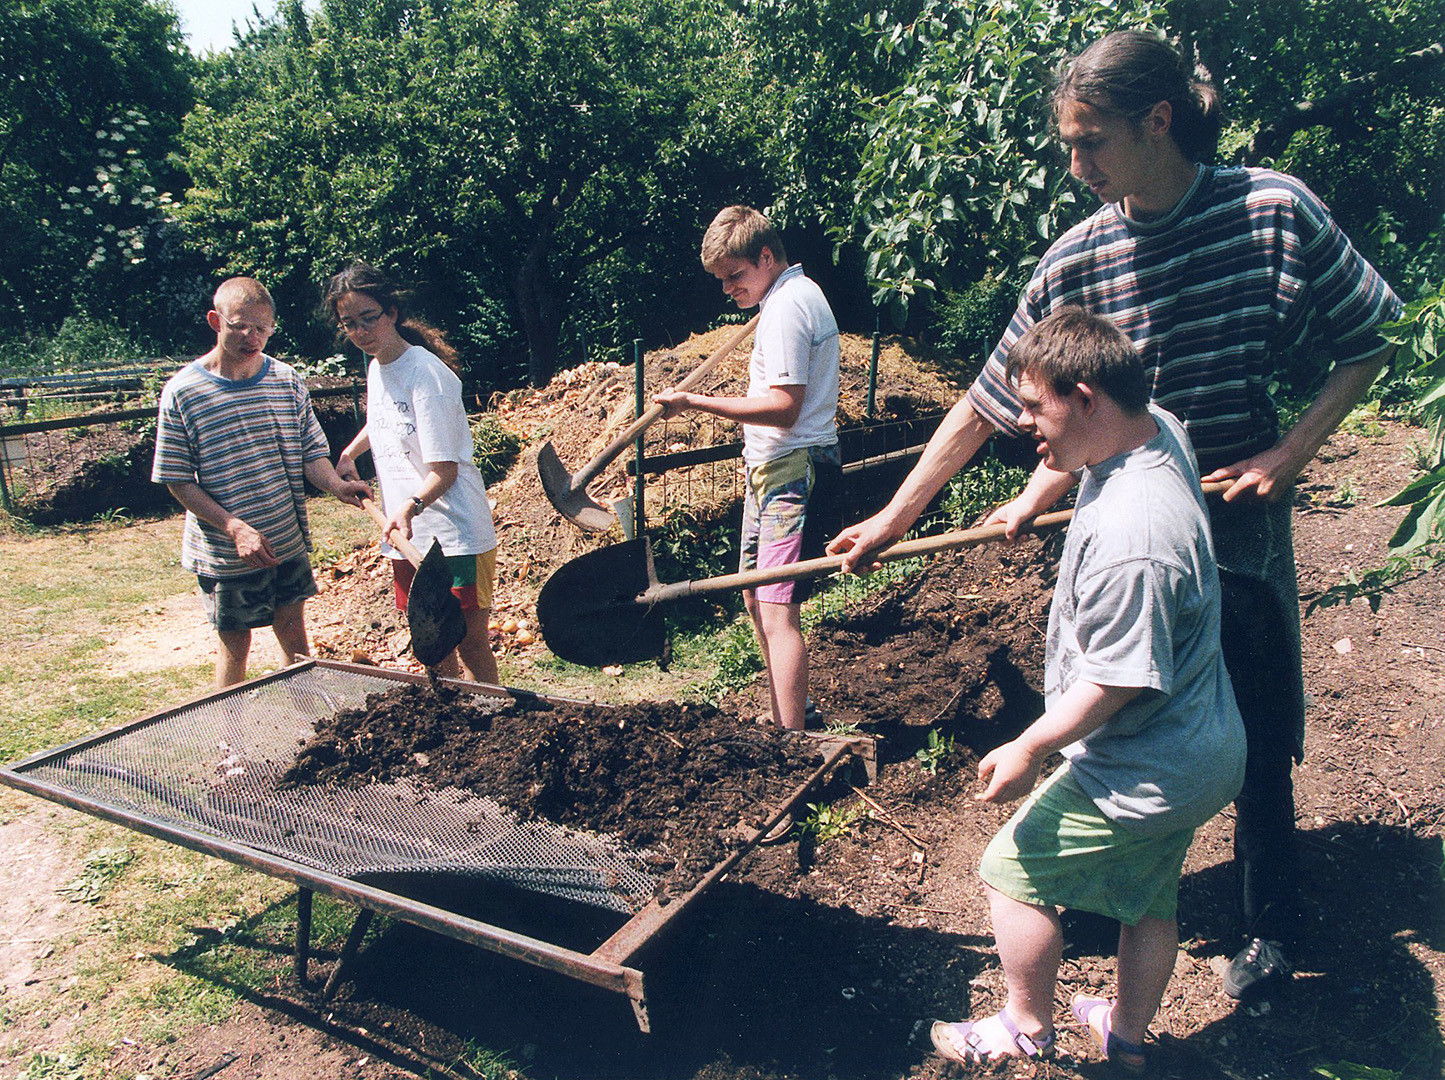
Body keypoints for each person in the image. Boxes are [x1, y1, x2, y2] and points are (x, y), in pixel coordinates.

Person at [829, 29, 1401, 999]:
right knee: (1108, 709)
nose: (1073, 164)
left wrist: (1290, 451)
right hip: (1123, 529)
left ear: (1159, 121)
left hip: (1233, 515)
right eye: (1067, 143)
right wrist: (894, 519)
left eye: (1087, 141)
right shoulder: (1076, 259)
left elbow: (1370, 335)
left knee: (1251, 725)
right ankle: (1103, 890)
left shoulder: (1270, 212)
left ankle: (1270, 922)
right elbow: (984, 403)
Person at [925, 307, 1245, 1071]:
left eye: (1035, 407)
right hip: (1202, 746)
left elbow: (1117, 681)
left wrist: (1029, 744)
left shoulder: (1134, 541)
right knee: (1150, 897)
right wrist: (1034, 495)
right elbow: (1073, 455)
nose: (1022, 423)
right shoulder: (1152, 425)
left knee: (1011, 870)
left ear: (1084, 396)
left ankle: (1022, 1026)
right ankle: (1124, 1040)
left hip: (1147, 761)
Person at [653, 205, 842, 736]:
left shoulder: (786, 309)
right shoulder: (788, 296)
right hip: (770, 470)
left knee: (777, 605)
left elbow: (783, 406)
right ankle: (791, 714)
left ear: (765, 256)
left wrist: (695, 402)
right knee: (754, 593)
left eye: (735, 275)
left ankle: (793, 738)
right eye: (721, 280)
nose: (727, 289)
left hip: (791, 471)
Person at [152, 276, 371, 688]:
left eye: (262, 328)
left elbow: (311, 454)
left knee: (293, 630)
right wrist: (234, 528)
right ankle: (231, 742)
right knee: (236, 645)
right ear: (217, 321)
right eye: (240, 326)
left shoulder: (286, 381)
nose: (252, 337)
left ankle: (312, 723)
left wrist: (337, 486)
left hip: (284, 541)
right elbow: (178, 480)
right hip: (226, 551)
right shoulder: (183, 392)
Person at [326, 264, 501, 685]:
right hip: (406, 536)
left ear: (392, 311)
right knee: (431, 641)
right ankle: (453, 722)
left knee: (470, 641)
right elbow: (386, 418)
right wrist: (351, 452)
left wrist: (409, 506)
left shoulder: (427, 374)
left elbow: (445, 470)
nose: (361, 332)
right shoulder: (378, 367)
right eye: (349, 323)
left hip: (454, 535)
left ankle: (498, 720)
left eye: (369, 318)